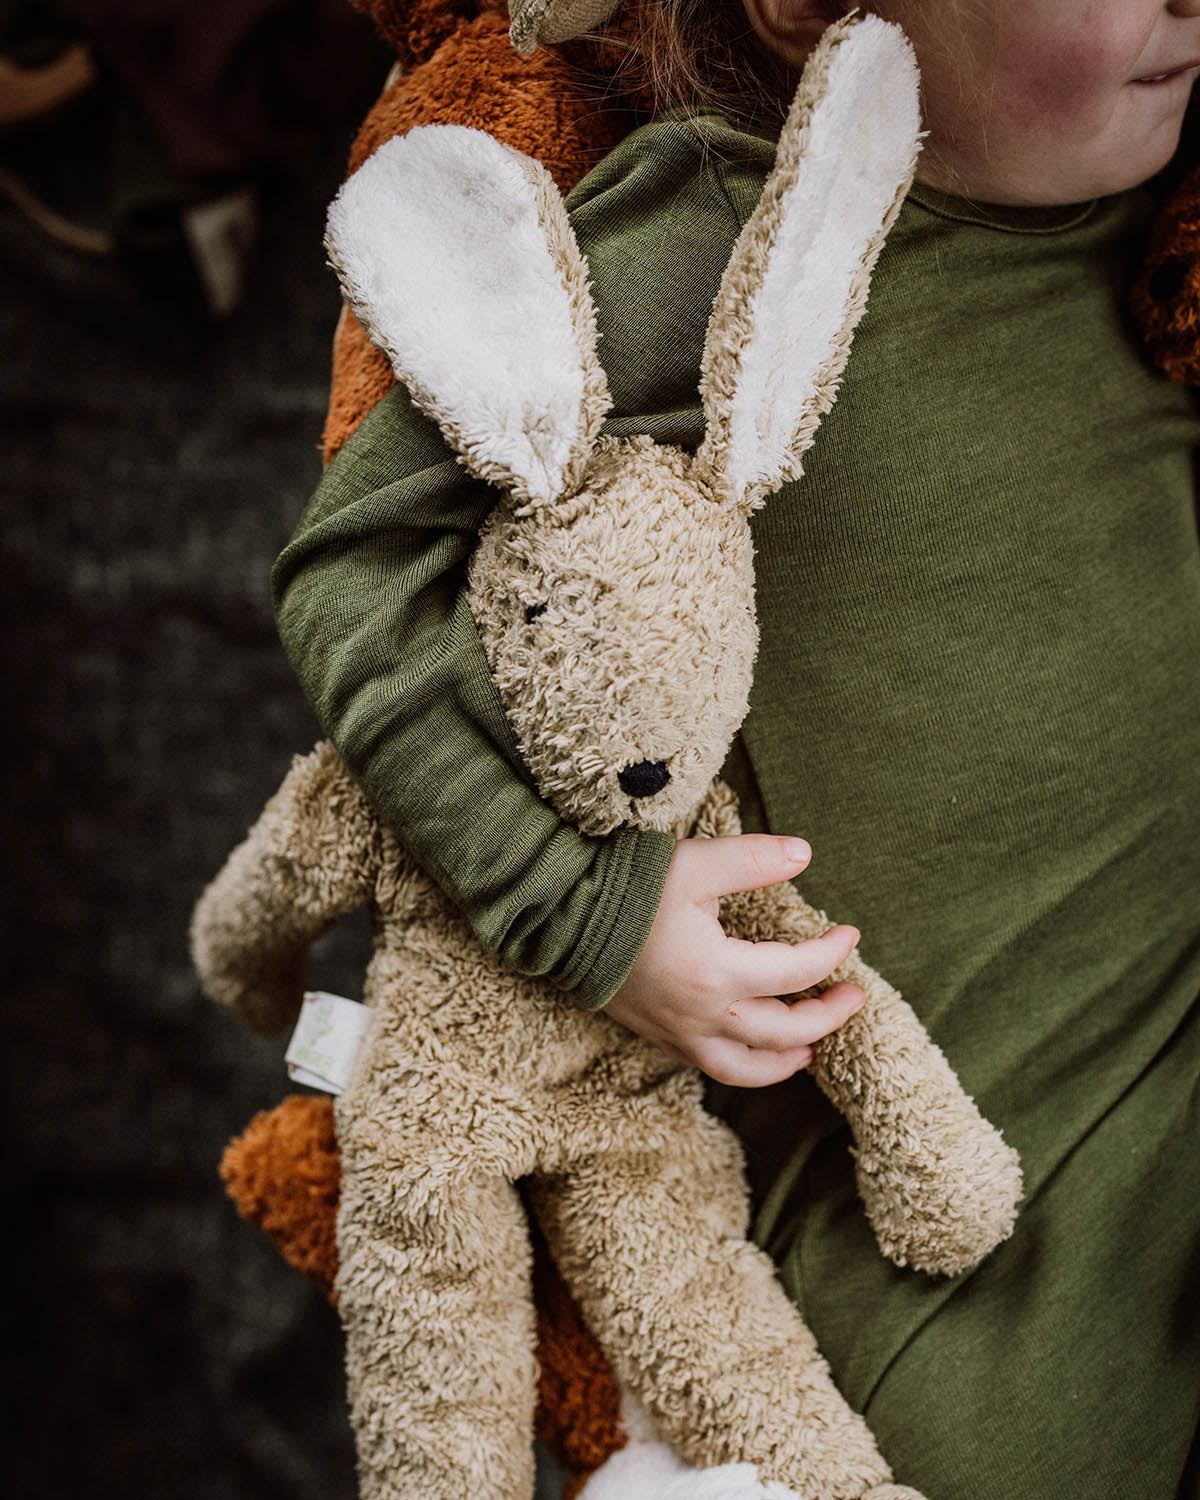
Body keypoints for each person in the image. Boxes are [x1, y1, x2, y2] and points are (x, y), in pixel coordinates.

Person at [272, 1, 1200, 1493]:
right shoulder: (717, 234)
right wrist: (586, 913)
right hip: (944, 1248)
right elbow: (355, 569)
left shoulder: (1161, 235)